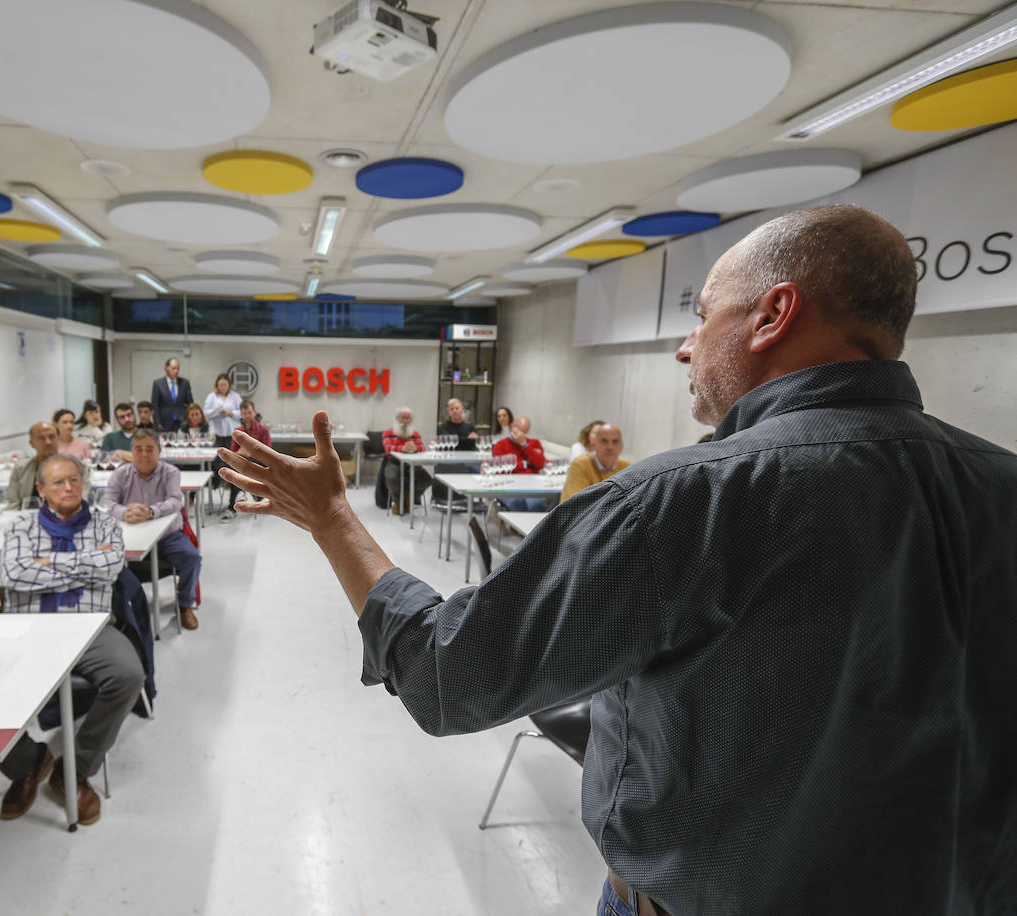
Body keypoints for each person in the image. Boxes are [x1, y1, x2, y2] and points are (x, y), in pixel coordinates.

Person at [216, 205, 1017, 915]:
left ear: (774, 314)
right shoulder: (1001, 486)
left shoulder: (687, 500)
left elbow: (448, 675)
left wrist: (331, 521)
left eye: (702, 316)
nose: (684, 347)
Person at [0, 453, 143, 826]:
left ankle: (75, 766)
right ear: (41, 489)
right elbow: (12, 574)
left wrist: (45, 563)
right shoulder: (20, 526)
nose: (68, 488)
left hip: (88, 627)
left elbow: (109, 569)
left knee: (127, 675)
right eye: (58, 482)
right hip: (29, 629)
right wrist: (83, 565)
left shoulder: (105, 525)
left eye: (74, 480)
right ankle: (28, 762)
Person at [100, 429, 202, 631]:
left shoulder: (170, 472)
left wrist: (151, 512)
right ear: (132, 451)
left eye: (150, 449)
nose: (144, 454)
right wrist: (124, 512)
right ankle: (117, 609)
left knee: (191, 558)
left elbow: (175, 501)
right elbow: (106, 501)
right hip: (129, 535)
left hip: (166, 535)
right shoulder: (121, 473)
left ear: (159, 451)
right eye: (139, 449)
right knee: (102, 560)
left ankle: (184, 605)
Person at [5, 421, 90, 510]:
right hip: (28, 518)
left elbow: (80, 502)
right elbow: (13, 504)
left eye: (52, 437)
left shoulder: (76, 467)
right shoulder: (20, 468)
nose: (48, 442)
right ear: (32, 443)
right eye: (41, 438)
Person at [220, 399, 269, 521]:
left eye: (249, 412)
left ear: (254, 412)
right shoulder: (238, 431)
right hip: (242, 462)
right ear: (241, 414)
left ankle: (233, 505)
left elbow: (268, 453)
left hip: (258, 462)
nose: (247, 416)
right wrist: (240, 453)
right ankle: (243, 496)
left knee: (239, 470)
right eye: (244, 413)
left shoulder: (263, 430)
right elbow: (233, 453)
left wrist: (252, 452)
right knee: (235, 468)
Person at [560, 423, 630, 502]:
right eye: (604, 441)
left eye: (615, 441)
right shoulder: (580, 464)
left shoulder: (627, 467)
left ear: (621, 445)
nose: (610, 447)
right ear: (595, 444)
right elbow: (578, 504)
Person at [491, 415, 547, 511]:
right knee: (517, 503)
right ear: (512, 427)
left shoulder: (534, 444)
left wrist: (524, 444)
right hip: (508, 484)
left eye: (524, 432)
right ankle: (514, 526)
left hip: (531, 484)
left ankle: (536, 526)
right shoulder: (500, 445)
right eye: (518, 430)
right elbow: (500, 469)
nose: (520, 434)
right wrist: (525, 463)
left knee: (537, 504)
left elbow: (540, 464)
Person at [381, 406, 430, 516]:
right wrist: (401, 448)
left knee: (426, 480)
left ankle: (410, 498)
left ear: (411, 420)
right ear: (397, 419)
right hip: (394, 462)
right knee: (391, 477)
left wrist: (416, 448)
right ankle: (398, 501)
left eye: (408, 419)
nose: (405, 421)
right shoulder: (388, 433)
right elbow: (388, 449)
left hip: (412, 464)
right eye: (402, 418)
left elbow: (422, 447)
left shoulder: (415, 434)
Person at [150, 357, 193, 431]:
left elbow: (190, 403)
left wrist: (190, 421)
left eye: (178, 369)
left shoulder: (185, 383)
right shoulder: (158, 383)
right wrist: (158, 424)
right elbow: (155, 405)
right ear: (166, 368)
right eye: (174, 368)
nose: (176, 371)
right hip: (164, 422)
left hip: (182, 422)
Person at [202, 373, 242, 451]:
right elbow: (205, 412)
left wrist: (230, 413)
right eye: (220, 385)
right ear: (217, 385)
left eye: (225, 385)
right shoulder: (211, 396)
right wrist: (216, 410)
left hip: (232, 431)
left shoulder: (235, 396)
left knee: (231, 455)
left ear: (229, 385)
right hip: (216, 432)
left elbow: (242, 413)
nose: (223, 387)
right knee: (217, 456)